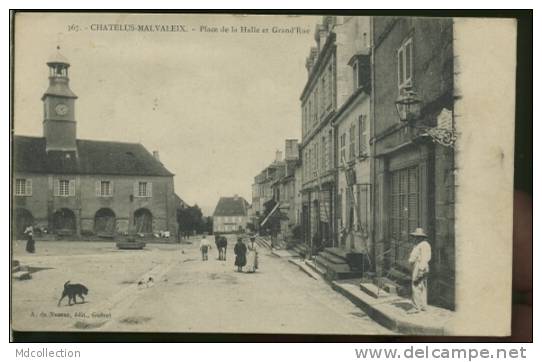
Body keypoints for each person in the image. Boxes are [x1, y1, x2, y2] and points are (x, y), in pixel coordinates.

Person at [407, 228, 432, 313]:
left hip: (420, 266)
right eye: (415, 237)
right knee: (421, 286)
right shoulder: (418, 245)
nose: (415, 238)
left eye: (417, 237)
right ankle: (422, 305)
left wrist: (420, 270)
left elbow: (424, 259)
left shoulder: (424, 245)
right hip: (417, 266)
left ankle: (416, 307)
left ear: (422, 237)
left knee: (415, 285)